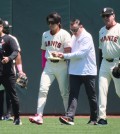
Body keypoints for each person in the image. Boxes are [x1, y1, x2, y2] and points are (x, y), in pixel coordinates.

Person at [52, 19, 98, 125]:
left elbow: (80, 54)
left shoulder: (87, 37)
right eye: (72, 29)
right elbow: (69, 50)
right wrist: (59, 53)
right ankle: (70, 117)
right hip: (74, 71)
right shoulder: (73, 36)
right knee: (73, 94)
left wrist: (63, 55)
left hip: (88, 71)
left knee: (91, 95)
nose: (73, 31)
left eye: (75, 29)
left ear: (81, 26)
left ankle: (94, 119)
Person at [29, 12, 71, 125]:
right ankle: (39, 116)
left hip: (61, 65)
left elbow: (68, 51)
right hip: (49, 66)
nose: (50, 24)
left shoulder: (65, 34)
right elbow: (43, 50)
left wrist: (60, 55)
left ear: (58, 23)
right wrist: (44, 65)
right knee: (42, 89)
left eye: (53, 22)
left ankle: (68, 117)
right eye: (49, 22)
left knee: (64, 93)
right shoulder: (45, 34)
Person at [98, 7, 120, 125]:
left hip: (117, 62)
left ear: (113, 15)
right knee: (102, 90)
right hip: (105, 64)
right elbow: (100, 50)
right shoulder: (101, 30)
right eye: (104, 16)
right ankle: (102, 118)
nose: (106, 18)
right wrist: (99, 65)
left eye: (108, 15)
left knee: (119, 91)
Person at [0, 20, 26, 121]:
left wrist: (20, 71)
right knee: (1, 92)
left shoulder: (11, 38)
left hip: (9, 68)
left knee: (10, 93)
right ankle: (2, 114)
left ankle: (10, 114)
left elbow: (17, 54)